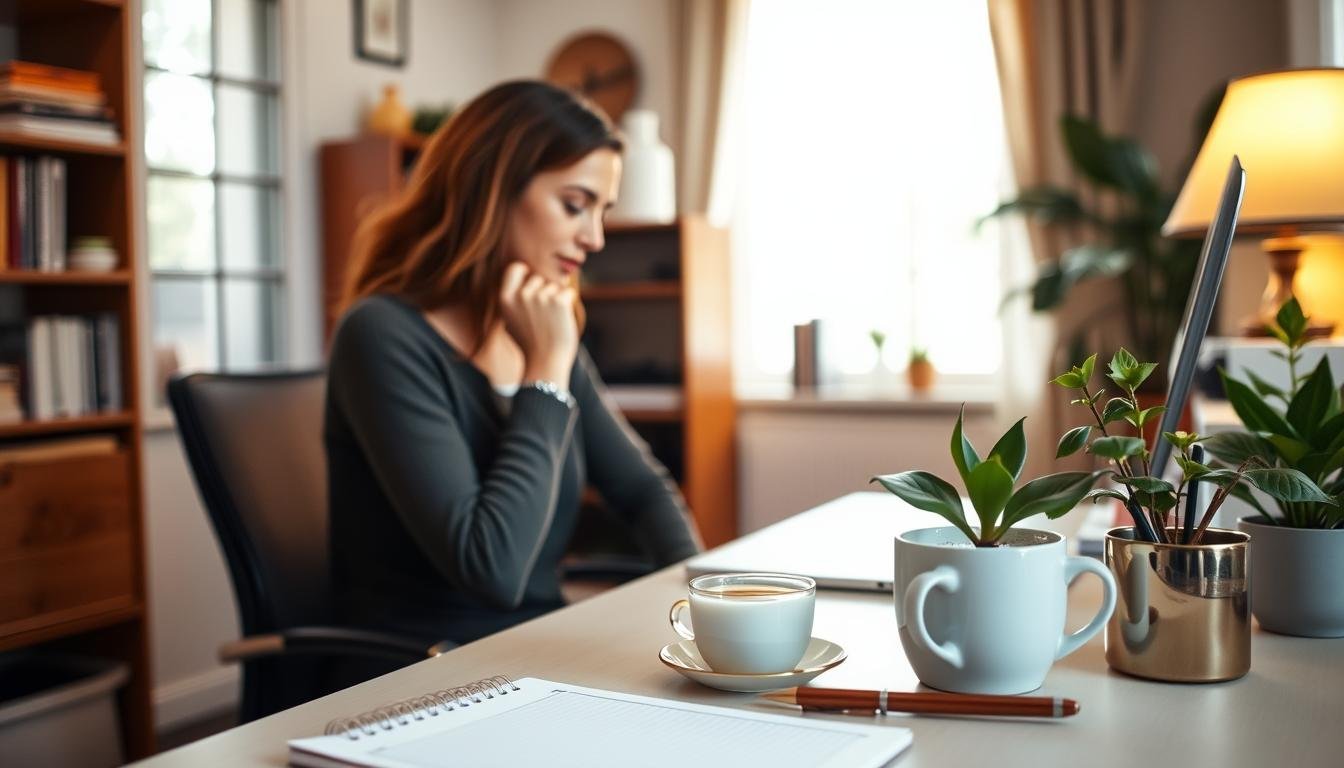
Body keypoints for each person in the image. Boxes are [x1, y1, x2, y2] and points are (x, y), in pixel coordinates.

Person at [324, 80, 703, 653]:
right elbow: (493, 570)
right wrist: (547, 371)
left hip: (538, 651)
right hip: (424, 671)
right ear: (491, 190)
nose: (594, 237)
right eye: (574, 205)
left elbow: (644, 492)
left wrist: (706, 609)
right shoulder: (383, 336)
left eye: (602, 212)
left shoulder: (539, 331)